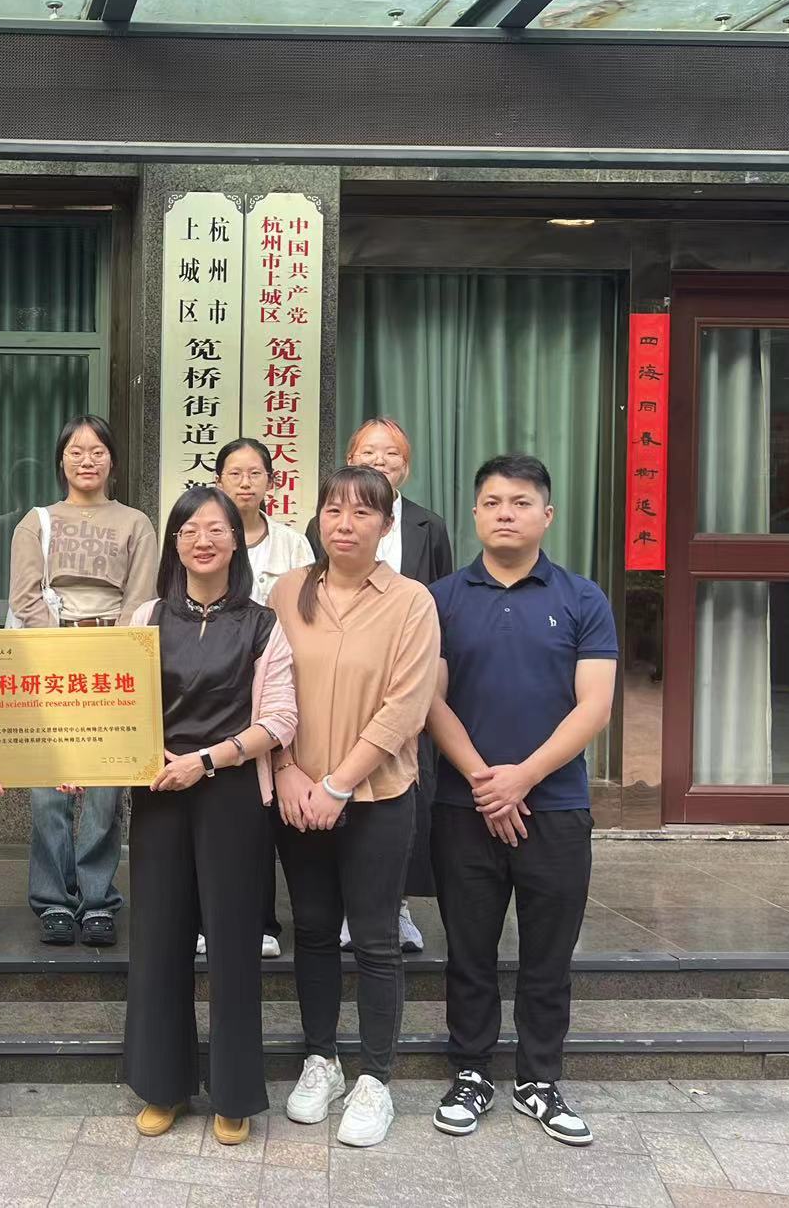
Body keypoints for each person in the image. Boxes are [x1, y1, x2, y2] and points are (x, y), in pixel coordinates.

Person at [426, 455, 616, 1146]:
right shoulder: (440, 599)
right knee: (468, 951)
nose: (505, 512)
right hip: (463, 807)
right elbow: (429, 700)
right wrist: (487, 780)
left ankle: (539, 1079)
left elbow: (594, 706)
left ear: (547, 515)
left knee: (548, 955)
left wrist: (522, 778)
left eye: (521, 501)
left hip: (556, 807)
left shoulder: (583, 598)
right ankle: (471, 1072)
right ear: (475, 513)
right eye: (493, 501)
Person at [270, 465, 440, 1148]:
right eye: (334, 510)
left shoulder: (411, 602)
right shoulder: (287, 591)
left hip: (376, 796)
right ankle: (322, 1060)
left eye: (363, 512)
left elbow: (406, 705)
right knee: (312, 930)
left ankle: (375, 1077)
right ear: (317, 519)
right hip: (296, 795)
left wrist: (338, 783)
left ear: (386, 525)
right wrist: (286, 770)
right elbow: (267, 688)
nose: (345, 524)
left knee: (374, 938)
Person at [122, 487, 296, 1145]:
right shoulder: (146, 616)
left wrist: (207, 760)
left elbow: (280, 721)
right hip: (159, 791)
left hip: (231, 796)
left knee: (233, 946)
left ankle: (234, 1093)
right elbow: (117, 703)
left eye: (217, 528)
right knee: (158, 942)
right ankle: (162, 1086)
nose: (203, 539)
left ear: (236, 541)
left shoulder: (263, 623)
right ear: (174, 542)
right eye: (190, 528)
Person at [9, 414, 158, 947]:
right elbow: (25, 597)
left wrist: (108, 655)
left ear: (112, 460)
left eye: (97, 451)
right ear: (61, 460)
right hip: (51, 664)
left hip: (113, 663)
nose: (87, 460)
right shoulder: (36, 522)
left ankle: (97, 899)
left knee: (103, 791)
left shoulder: (136, 523)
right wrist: (63, 654)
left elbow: (141, 598)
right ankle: (53, 898)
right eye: (76, 451)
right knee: (48, 790)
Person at [308, 416, 452, 953]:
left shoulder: (428, 525)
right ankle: (345, 906)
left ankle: (397, 905)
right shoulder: (322, 527)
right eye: (369, 452)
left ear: (405, 467)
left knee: (403, 791)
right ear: (350, 459)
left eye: (392, 453)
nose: (380, 461)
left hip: (405, 676)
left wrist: (432, 683)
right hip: (342, 676)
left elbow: (442, 600)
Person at [214, 437, 314, 961]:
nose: (245, 482)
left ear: (271, 482)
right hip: (215, 687)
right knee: (220, 809)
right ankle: (211, 919)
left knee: (263, 808)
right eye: (235, 473)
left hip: (274, 684)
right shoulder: (208, 537)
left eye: (255, 473)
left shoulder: (293, 545)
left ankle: (263, 919)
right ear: (218, 482)